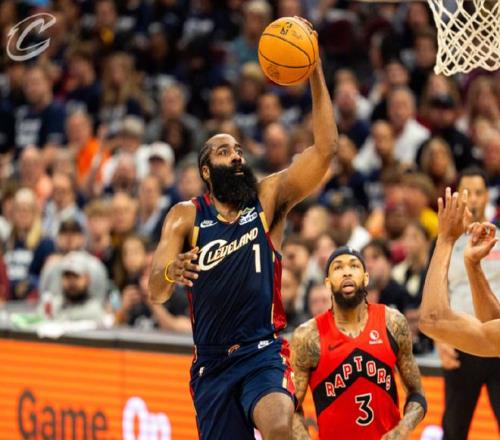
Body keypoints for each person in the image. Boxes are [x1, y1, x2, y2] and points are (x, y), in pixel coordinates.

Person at [148, 20, 337, 440]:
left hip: (262, 352)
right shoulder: (184, 216)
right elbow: (155, 290)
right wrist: (171, 271)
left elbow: (326, 150)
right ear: (206, 170)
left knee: (279, 426)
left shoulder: (267, 198)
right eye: (223, 151)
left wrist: (315, 70)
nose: (235, 156)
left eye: (237, 149)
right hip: (211, 364)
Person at [291, 247, 426, 440]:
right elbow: (292, 407)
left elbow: (417, 393)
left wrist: (403, 428)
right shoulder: (308, 336)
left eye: (354, 266)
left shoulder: (392, 323)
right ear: (328, 283)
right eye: (338, 267)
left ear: (366, 278)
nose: (346, 272)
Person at [419, 169, 500, 440]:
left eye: (479, 192)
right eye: (468, 193)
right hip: (461, 342)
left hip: (493, 337)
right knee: (454, 428)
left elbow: (431, 317)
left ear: (487, 196)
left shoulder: (497, 236)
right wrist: (440, 341)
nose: (474, 198)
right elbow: (434, 295)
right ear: (458, 197)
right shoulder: (444, 243)